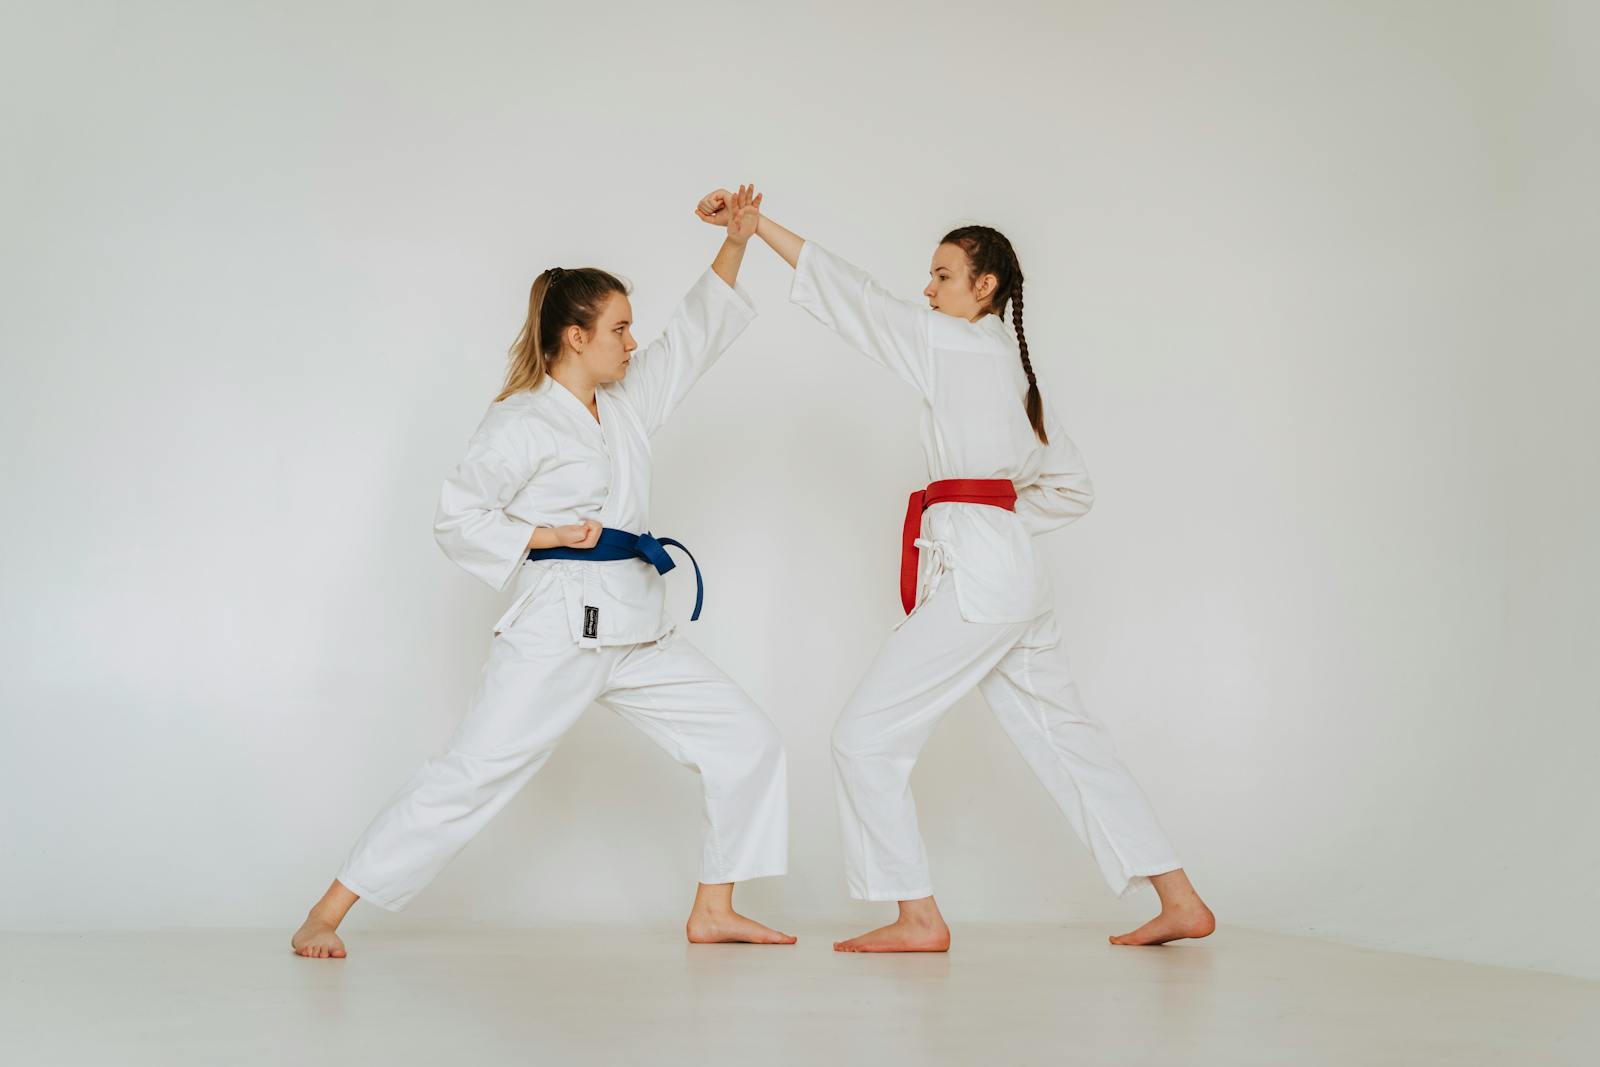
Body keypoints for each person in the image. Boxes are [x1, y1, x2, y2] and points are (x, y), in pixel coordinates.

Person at [698, 190, 1214, 952]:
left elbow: (853, 296)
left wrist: (759, 228)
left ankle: (918, 917)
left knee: (864, 736)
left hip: (981, 574)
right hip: (1009, 573)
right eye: (930, 277)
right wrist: (998, 524)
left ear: (985, 288)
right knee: (1070, 737)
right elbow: (1072, 486)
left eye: (942, 276)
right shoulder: (1012, 369)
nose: (927, 290)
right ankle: (1180, 897)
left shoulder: (951, 343)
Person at [292, 186, 794, 958]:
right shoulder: (522, 420)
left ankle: (714, 907)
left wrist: (738, 239)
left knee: (748, 739)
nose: (634, 342)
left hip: (635, 623)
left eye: (632, 329)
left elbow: (694, 337)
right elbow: (457, 516)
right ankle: (326, 912)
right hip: (558, 629)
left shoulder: (626, 402)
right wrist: (543, 532)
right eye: (620, 329)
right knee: (470, 774)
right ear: (573, 336)